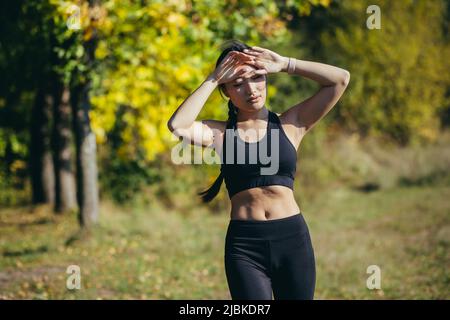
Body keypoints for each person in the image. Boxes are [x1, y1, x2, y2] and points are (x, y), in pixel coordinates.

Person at [167, 39, 350, 300]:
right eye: (237, 84)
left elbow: (340, 79)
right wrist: (213, 78)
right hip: (245, 247)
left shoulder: (291, 124)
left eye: (257, 77)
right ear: (227, 91)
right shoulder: (219, 133)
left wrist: (286, 64)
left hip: (292, 240)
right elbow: (178, 125)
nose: (250, 89)